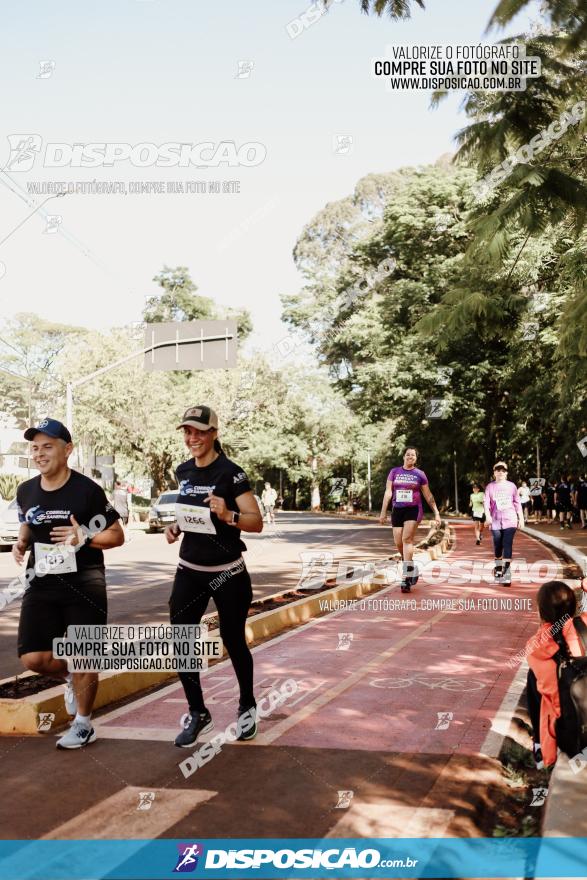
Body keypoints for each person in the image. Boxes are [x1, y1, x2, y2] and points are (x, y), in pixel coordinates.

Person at [13, 418, 124, 748]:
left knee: (84, 656)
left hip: (84, 583)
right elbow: (28, 522)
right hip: (42, 581)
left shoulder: (87, 491)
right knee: (32, 657)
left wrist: (84, 535)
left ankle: (84, 724)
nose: (39, 453)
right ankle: (70, 678)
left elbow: (116, 535)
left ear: (67, 450)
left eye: (48, 446)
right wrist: (21, 542)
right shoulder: (26, 490)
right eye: (35, 447)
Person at [165, 405, 263, 748]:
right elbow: (193, 513)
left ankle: (247, 704)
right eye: (188, 432)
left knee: (232, 638)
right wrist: (177, 525)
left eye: (199, 432)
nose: (192, 438)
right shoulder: (183, 471)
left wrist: (229, 513)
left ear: (214, 434)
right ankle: (198, 712)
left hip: (228, 571)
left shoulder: (231, 473)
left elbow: (255, 521)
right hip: (190, 569)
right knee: (181, 640)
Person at [526, 580, 587, 769]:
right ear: (575, 605)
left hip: (570, 735)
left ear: (541, 612)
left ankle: (539, 745)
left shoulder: (535, 645)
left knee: (534, 678)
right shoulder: (584, 623)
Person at [379, 446, 441, 593]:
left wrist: (436, 512)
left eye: (413, 455)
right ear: (403, 457)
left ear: (416, 458)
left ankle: (406, 577)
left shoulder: (420, 474)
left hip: (413, 509)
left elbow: (428, 495)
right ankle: (411, 565)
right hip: (397, 509)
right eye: (408, 455)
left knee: (407, 539)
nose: (410, 457)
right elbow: (388, 492)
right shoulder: (394, 472)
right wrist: (383, 512)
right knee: (398, 542)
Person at [484, 461, 524, 586]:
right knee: (497, 546)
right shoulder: (490, 487)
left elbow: (517, 503)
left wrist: (521, 518)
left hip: (510, 520)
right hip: (495, 521)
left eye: (503, 470)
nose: (500, 472)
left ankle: (506, 574)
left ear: (506, 473)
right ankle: (498, 567)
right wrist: (488, 517)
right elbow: (486, 504)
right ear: (494, 472)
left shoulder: (512, 486)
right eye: (498, 470)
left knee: (507, 545)